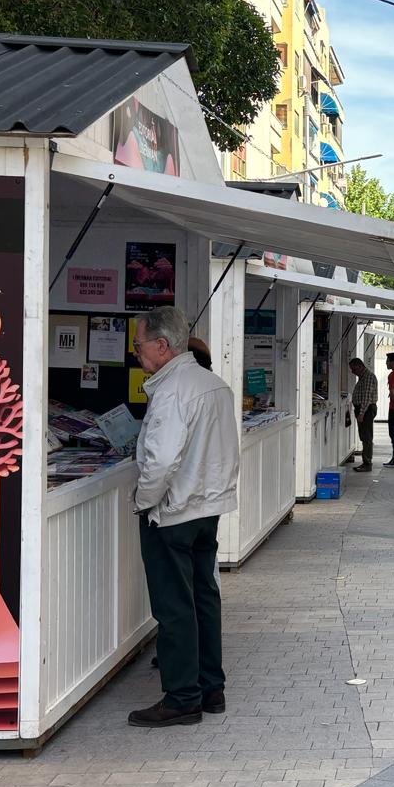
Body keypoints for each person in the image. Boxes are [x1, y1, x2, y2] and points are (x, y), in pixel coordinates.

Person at [129, 306, 239, 727]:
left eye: (139, 345)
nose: (136, 352)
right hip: (206, 508)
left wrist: (143, 500)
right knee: (203, 597)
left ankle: (181, 697)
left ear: (162, 345)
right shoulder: (213, 384)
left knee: (174, 605)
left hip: (173, 510)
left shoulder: (172, 391)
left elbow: (159, 462)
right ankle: (211, 688)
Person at [348, 357, 378, 471]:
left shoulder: (368, 377)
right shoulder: (363, 377)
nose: (352, 371)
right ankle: (366, 461)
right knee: (364, 436)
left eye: (353, 369)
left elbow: (366, 397)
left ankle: (367, 463)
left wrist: (361, 413)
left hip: (366, 410)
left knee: (366, 437)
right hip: (363, 409)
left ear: (360, 366)